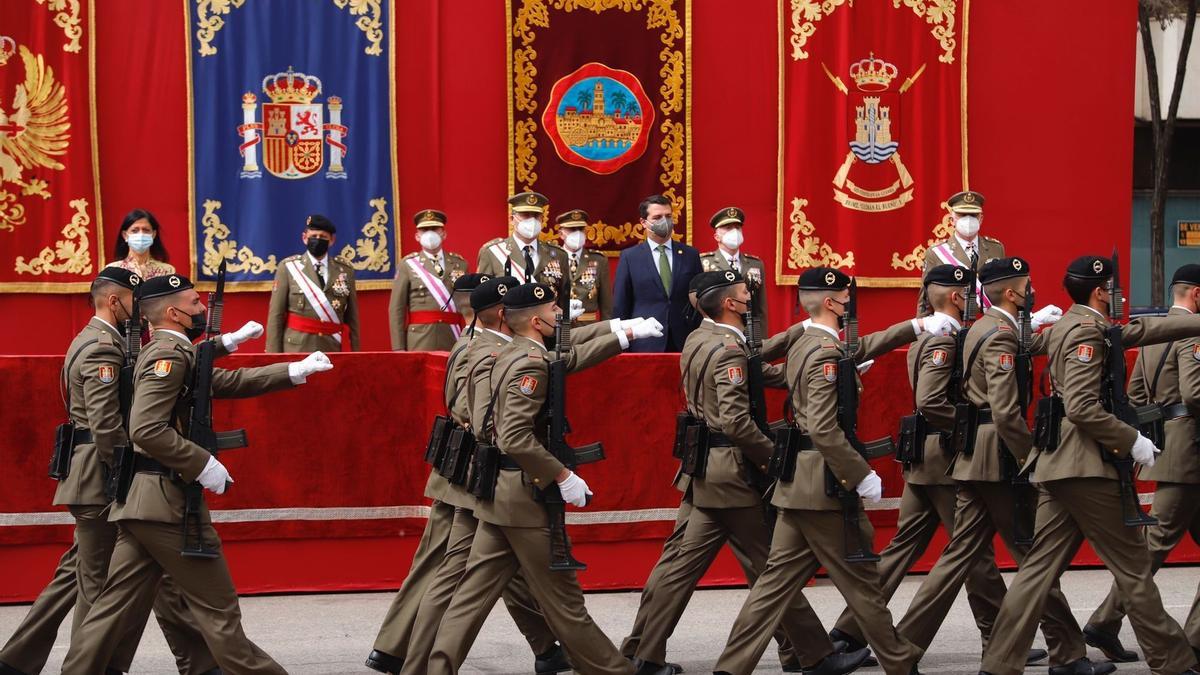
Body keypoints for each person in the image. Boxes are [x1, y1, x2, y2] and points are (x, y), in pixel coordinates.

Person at [60, 274, 334, 674]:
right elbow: (146, 429)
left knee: (110, 610)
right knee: (219, 611)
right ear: (174, 313)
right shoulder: (165, 356)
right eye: (194, 304)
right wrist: (202, 464)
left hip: (143, 505)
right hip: (166, 504)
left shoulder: (173, 350)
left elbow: (222, 381)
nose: (202, 310)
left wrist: (292, 370)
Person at [713, 267, 954, 675]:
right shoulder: (825, 352)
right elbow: (824, 427)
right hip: (824, 485)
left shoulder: (808, 343)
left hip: (798, 486)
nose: (849, 303)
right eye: (845, 296)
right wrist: (859, 473)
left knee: (772, 587)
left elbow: (856, 351)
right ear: (831, 302)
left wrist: (913, 326)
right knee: (862, 580)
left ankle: (731, 667)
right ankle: (899, 661)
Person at [629, 270, 865, 675]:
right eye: (743, 293)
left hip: (704, 470)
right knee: (773, 569)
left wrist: (809, 356)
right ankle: (814, 655)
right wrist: (778, 459)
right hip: (731, 477)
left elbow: (759, 370)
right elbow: (738, 421)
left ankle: (641, 653)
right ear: (729, 304)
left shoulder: (701, 339)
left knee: (679, 568)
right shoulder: (727, 350)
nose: (750, 298)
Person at [426, 282, 667, 675]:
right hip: (524, 497)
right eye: (556, 311)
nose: (562, 316)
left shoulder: (511, 351)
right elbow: (515, 435)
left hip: (498, 497)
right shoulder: (528, 363)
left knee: (469, 599)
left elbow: (565, 360)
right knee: (566, 602)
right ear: (537, 322)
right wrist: (562, 475)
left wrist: (621, 333)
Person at [0, 267, 232, 675]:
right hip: (100, 478)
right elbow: (107, 426)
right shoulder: (102, 349)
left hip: (93, 477)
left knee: (83, 574)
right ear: (113, 300)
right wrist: (126, 474)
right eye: (132, 299)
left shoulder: (94, 339)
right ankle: (95, 666)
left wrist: (221, 346)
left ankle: (17, 660)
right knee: (99, 586)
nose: (139, 310)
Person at [977, 255, 1200, 675]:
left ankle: (1000, 663)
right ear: (1100, 291)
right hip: (1085, 466)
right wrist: (1131, 439)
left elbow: (1149, 329)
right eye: (1115, 288)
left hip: (1059, 465)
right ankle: (1172, 660)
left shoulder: (1075, 325)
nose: (1120, 296)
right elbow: (1081, 407)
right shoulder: (1085, 331)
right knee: (1134, 567)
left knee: (1037, 570)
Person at [828, 264, 1046, 667]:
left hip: (925, 454)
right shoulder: (943, 337)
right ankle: (994, 638)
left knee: (905, 545)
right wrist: (965, 427)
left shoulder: (932, 333)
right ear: (957, 296)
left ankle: (850, 629)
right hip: (943, 454)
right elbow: (931, 401)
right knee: (973, 554)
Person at [894, 258, 1100, 675]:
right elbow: (1006, 414)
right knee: (1032, 553)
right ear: (1012, 292)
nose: (1032, 292)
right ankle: (1067, 652)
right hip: (999, 459)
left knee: (958, 558)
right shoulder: (1000, 335)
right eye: (1027, 286)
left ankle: (900, 650)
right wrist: (1031, 459)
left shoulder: (984, 328)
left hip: (975, 460)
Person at [1082, 263, 1200, 664]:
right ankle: (1105, 620)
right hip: (1191, 451)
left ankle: (1192, 638)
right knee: (1156, 545)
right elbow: (1195, 392)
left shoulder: (1151, 332)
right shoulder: (1193, 329)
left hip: (1168, 445)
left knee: (1155, 543)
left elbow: (1133, 393)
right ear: (1197, 295)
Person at [613, 195, 702, 352]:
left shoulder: (690, 255)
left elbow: (700, 300)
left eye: (668, 216)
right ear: (643, 222)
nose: (665, 221)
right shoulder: (630, 257)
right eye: (657, 217)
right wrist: (622, 344)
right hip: (644, 342)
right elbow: (621, 303)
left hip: (685, 341)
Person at [266, 214, 360, 352]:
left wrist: (356, 352)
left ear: (332, 240)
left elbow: (353, 318)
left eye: (323, 237)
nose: (317, 240)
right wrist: (273, 355)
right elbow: (276, 316)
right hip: (297, 347)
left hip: (331, 347)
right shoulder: (288, 267)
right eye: (313, 236)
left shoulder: (345, 270)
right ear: (304, 238)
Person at [389, 209, 469, 351]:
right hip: (419, 338)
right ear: (417, 236)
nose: (430, 234)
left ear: (443, 234)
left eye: (434, 229)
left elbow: (469, 306)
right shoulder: (407, 265)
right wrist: (398, 348)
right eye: (424, 230)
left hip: (453, 336)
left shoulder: (460, 264)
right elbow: (397, 309)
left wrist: (470, 339)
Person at [916, 191, 1004, 316]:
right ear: (952, 220)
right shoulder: (936, 253)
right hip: (953, 324)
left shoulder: (996, 248)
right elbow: (926, 298)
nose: (968, 220)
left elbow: (1002, 290)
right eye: (962, 215)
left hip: (988, 324)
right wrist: (923, 330)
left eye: (973, 215)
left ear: (981, 219)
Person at [476, 192, 568, 286]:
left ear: (542, 220)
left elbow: (563, 298)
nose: (532, 220)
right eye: (525, 215)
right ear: (512, 219)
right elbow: (482, 297)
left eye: (536, 216)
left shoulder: (559, 255)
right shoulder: (491, 253)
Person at [700, 207, 767, 326]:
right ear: (717, 237)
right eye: (728, 228)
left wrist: (761, 340)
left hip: (749, 331)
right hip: (718, 331)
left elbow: (760, 308)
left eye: (737, 227)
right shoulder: (704, 262)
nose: (734, 232)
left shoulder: (756, 264)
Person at [556, 209, 612, 325]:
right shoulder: (551, 259)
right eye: (572, 229)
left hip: (588, 326)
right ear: (561, 234)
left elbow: (606, 304)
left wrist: (607, 331)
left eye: (580, 229)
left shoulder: (599, 260)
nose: (577, 233)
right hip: (558, 326)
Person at [107, 208, 175, 280]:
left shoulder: (167, 271)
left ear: (153, 234)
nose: (141, 234)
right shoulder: (112, 270)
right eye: (134, 230)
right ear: (125, 235)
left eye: (146, 230)